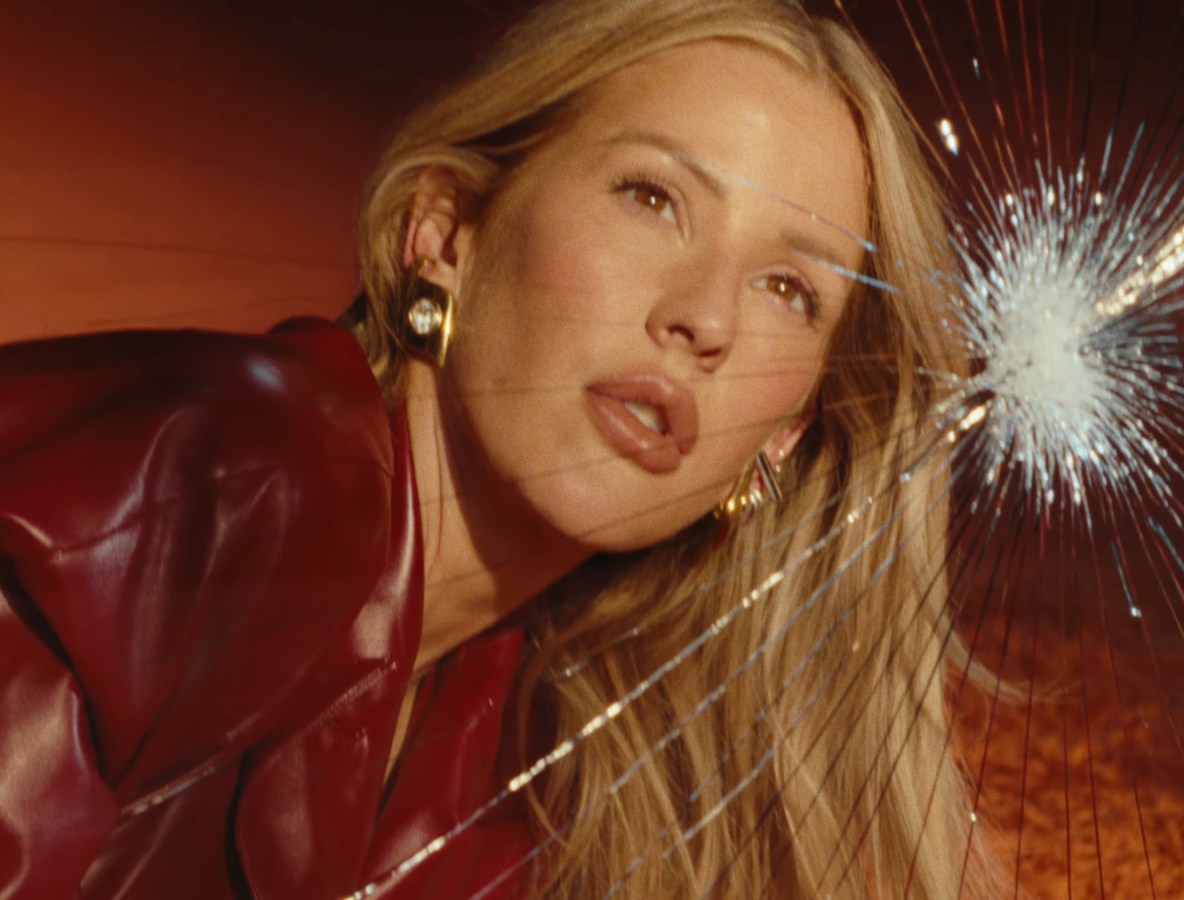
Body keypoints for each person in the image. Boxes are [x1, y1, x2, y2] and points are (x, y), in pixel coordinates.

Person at [0, 0, 999, 896]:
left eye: (789, 289)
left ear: (783, 434)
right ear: (446, 230)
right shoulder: (212, 479)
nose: (706, 319)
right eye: (652, 198)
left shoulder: (540, 776)